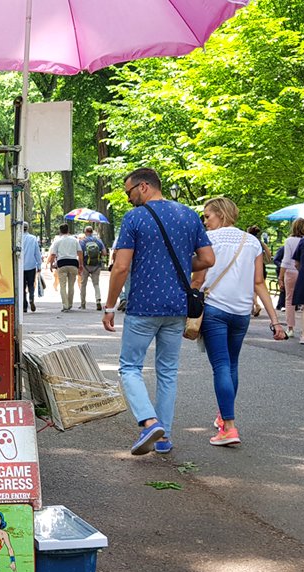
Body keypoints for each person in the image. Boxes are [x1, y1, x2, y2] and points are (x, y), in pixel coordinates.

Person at [102, 168, 215, 455]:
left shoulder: (135, 218)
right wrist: (174, 263)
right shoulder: (189, 215)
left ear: (143, 187)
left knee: (129, 367)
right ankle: (164, 437)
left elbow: (121, 266)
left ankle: (149, 421)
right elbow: (208, 258)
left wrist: (109, 306)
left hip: (143, 306)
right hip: (177, 306)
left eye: (129, 192)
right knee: (167, 372)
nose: (128, 199)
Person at [193, 198, 286, 448]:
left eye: (208, 216)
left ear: (220, 215)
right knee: (231, 364)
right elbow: (259, 283)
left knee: (221, 366)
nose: (205, 221)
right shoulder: (252, 242)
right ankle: (224, 416)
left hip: (215, 308)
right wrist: (275, 321)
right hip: (241, 312)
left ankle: (229, 427)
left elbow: (198, 278)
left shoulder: (208, 240)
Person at [47, 223, 82, 312]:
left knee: (62, 285)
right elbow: (80, 252)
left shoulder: (57, 241)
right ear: (68, 230)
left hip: (62, 263)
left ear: (60, 231)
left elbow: (53, 254)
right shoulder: (74, 240)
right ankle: (70, 304)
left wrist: (51, 265)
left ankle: (65, 305)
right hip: (73, 263)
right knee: (71, 285)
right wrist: (81, 264)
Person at [78, 225, 106, 310]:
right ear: (92, 232)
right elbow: (104, 253)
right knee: (96, 284)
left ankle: (83, 304)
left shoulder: (82, 241)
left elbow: (80, 254)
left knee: (83, 284)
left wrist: (81, 265)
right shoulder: (98, 240)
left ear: (85, 232)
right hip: (96, 265)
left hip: (86, 265)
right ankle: (98, 300)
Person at [20, 222, 42, 312]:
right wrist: (39, 265)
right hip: (31, 265)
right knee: (31, 284)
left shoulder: (17, 238)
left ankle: (24, 305)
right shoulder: (33, 238)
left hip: (20, 266)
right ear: (27, 228)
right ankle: (31, 298)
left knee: (22, 286)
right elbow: (37, 253)